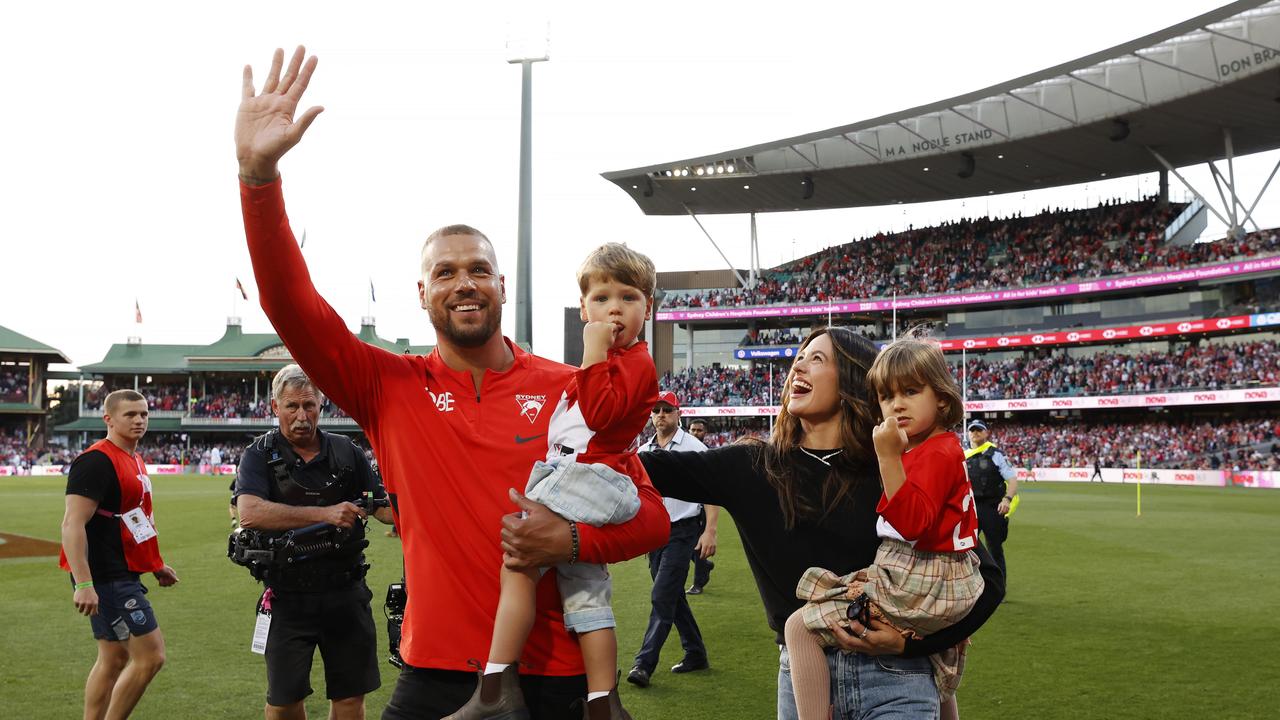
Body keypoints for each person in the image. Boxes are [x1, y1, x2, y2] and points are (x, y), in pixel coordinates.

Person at [235, 47, 669, 720]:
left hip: (557, 675)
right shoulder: (387, 385)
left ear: (502, 285)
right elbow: (290, 305)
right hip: (436, 673)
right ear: (422, 292)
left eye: (477, 269)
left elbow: (647, 516)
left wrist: (573, 543)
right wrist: (258, 177)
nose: (462, 281)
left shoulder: (569, 388)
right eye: (444, 272)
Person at [639, 327, 1004, 719]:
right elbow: (642, 468)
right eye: (799, 356)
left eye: (817, 358)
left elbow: (985, 578)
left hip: (898, 677)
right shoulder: (752, 466)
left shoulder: (893, 466)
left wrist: (908, 646)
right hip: (801, 676)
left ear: (852, 378)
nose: (799, 364)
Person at [450, 243, 659, 720]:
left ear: (648, 307)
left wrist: (591, 351)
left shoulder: (632, 362)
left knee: (518, 561)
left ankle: (495, 688)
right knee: (586, 594)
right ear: (584, 306)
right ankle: (603, 702)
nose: (614, 309)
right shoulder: (611, 362)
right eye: (602, 298)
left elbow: (601, 414)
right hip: (588, 476)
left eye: (628, 298)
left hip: (590, 475)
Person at [783, 338, 983, 719]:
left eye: (910, 391)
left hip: (920, 574)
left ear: (941, 398)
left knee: (798, 627)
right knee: (934, 658)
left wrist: (888, 455)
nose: (897, 405)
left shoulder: (936, 452)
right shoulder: (941, 447)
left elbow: (911, 524)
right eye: (887, 397)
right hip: (941, 575)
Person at [234, 364, 395, 720]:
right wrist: (324, 514)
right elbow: (249, 511)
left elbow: (382, 507)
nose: (302, 416)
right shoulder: (259, 454)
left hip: (346, 591)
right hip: (287, 595)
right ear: (275, 407)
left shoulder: (347, 452)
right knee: (284, 700)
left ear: (322, 405)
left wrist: (412, 509)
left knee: (350, 697)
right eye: (292, 407)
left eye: (310, 405)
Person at [58, 389, 180, 720]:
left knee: (113, 659)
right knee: (151, 657)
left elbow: (133, 519)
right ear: (109, 419)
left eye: (143, 414)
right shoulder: (96, 461)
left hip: (123, 570)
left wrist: (155, 565)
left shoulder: (133, 458)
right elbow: (72, 524)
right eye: (130, 415)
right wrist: (83, 583)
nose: (139, 420)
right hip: (107, 577)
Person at [627, 393, 712, 689]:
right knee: (673, 595)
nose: (661, 415)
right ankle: (696, 652)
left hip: (683, 529)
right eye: (656, 410)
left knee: (662, 595)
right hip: (655, 531)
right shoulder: (644, 450)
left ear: (678, 414)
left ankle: (644, 664)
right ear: (651, 417)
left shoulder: (694, 447)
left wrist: (710, 530)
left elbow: (712, 489)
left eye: (667, 410)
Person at [965, 420, 1018, 584]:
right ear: (968, 434)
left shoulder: (996, 454)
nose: (975, 433)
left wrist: (1007, 499)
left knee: (994, 549)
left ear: (986, 433)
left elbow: (1012, 480)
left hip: (992, 508)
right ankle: (971, 585)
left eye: (979, 430)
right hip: (971, 508)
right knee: (965, 548)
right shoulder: (963, 455)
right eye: (972, 430)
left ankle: (999, 587)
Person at [684, 419, 717, 596]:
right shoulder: (683, 450)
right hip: (684, 506)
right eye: (693, 430)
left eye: (699, 430)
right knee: (685, 543)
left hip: (702, 507)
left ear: (706, 433)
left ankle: (698, 582)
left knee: (698, 546)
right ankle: (704, 566)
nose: (696, 433)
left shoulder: (707, 454)